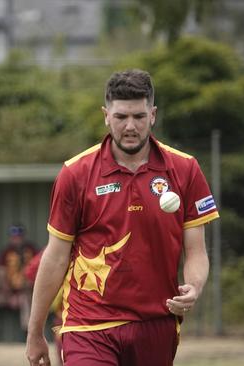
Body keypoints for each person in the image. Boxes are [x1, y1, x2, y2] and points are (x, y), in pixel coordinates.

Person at [26, 69, 220, 366]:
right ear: (106, 115)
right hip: (89, 324)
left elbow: (196, 251)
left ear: (153, 115)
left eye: (139, 117)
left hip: (156, 321)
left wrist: (194, 286)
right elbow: (55, 257)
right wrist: (35, 329)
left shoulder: (185, 170)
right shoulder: (76, 173)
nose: (130, 126)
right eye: (121, 117)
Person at [0, 224, 38, 342]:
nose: (16, 239)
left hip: (27, 292)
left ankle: (27, 337)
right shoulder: (6, 252)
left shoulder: (32, 250)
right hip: (8, 293)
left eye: (19, 236)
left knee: (25, 300)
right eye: (14, 237)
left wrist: (23, 292)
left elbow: (37, 274)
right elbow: (1, 275)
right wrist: (9, 295)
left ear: (23, 236)